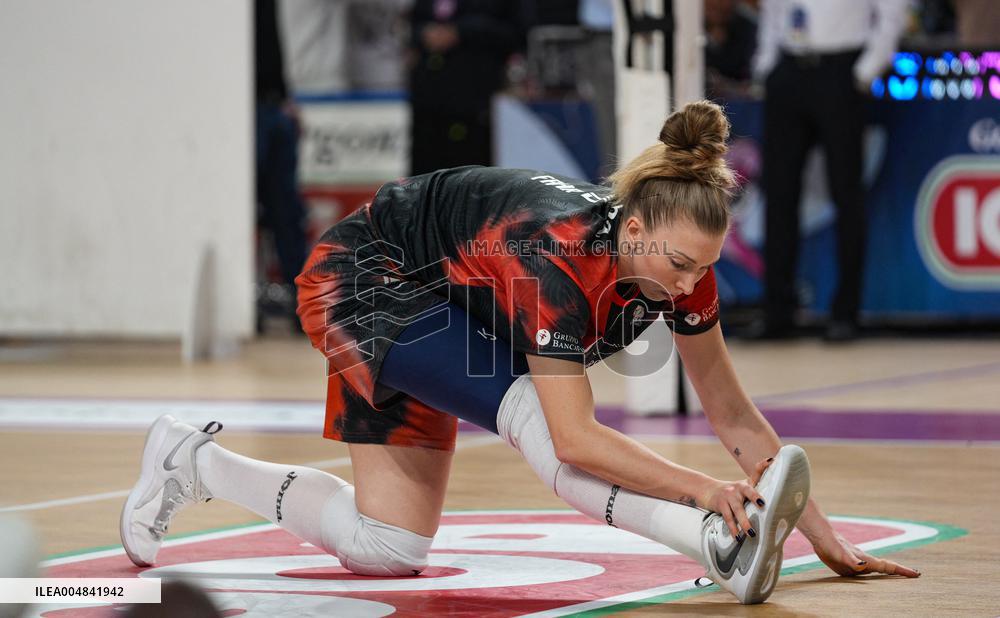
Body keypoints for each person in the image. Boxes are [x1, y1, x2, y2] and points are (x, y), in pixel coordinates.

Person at [120, 101, 918, 605]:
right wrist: (706, 499)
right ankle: (710, 551)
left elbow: (734, 414)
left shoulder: (681, 273)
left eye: (705, 269)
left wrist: (821, 533)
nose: (688, 288)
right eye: (678, 265)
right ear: (633, 229)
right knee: (547, 430)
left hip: (444, 303)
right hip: (363, 281)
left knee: (387, 549)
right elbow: (575, 442)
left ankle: (191, 461)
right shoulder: (559, 254)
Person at [749, 0, 908, 342]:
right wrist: (766, 66)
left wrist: (865, 71)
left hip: (841, 70)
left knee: (846, 194)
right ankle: (777, 311)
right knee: (778, 194)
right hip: (789, 68)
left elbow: (892, 17)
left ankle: (845, 312)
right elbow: (772, 12)